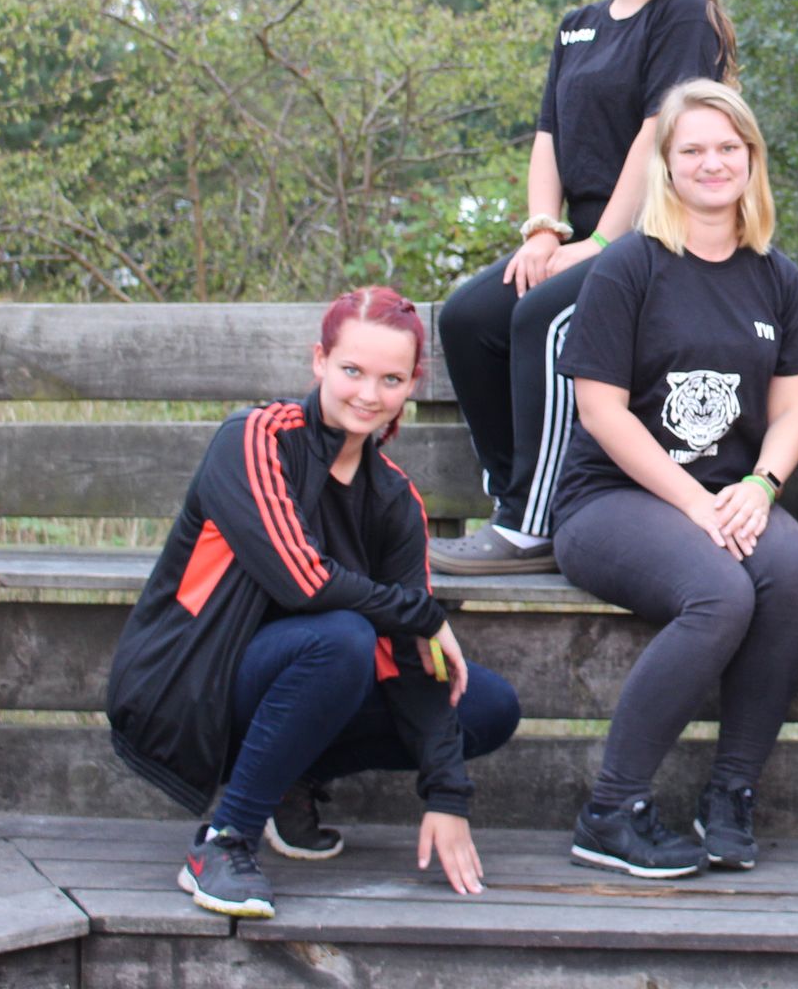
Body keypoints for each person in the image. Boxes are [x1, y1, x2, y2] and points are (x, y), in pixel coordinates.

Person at [106, 288, 521, 920]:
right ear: (320, 361)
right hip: (187, 684)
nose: (368, 394)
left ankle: (288, 779)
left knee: (487, 706)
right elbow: (304, 582)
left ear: (411, 384)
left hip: (300, 681)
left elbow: (411, 657)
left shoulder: (394, 500)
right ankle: (224, 841)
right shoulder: (257, 439)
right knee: (343, 637)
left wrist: (446, 795)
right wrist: (423, 613)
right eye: (352, 370)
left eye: (390, 379)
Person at [547, 80, 798, 879]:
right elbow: (601, 412)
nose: (712, 163)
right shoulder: (629, 267)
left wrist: (762, 486)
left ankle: (730, 794)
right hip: (613, 500)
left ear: (751, 159)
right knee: (721, 592)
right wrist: (697, 503)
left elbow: (794, 409)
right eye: (692, 149)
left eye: (727, 148)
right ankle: (610, 811)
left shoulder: (777, 277)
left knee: (790, 572)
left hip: (731, 495)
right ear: (666, 164)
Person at [433, 0, 737, 575]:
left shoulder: (684, 16)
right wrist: (544, 228)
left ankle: (532, 527)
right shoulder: (577, 27)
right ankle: (514, 496)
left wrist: (603, 241)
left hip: (657, 231)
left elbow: (658, 131)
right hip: (583, 231)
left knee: (543, 318)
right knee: (470, 319)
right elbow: (549, 134)